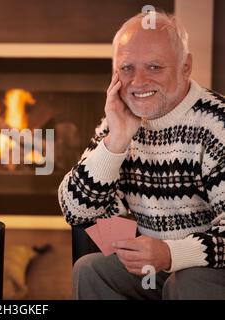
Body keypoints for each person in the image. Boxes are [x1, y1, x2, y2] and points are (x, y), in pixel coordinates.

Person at [58, 11, 225, 299]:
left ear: (186, 66)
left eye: (154, 67)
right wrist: (117, 140)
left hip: (210, 270)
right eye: (127, 68)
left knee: (186, 282)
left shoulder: (217, 125)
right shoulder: (119, 121)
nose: (138, 82)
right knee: (90, 270)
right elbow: (76, 210)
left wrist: (171, 253)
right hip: (157, 267)